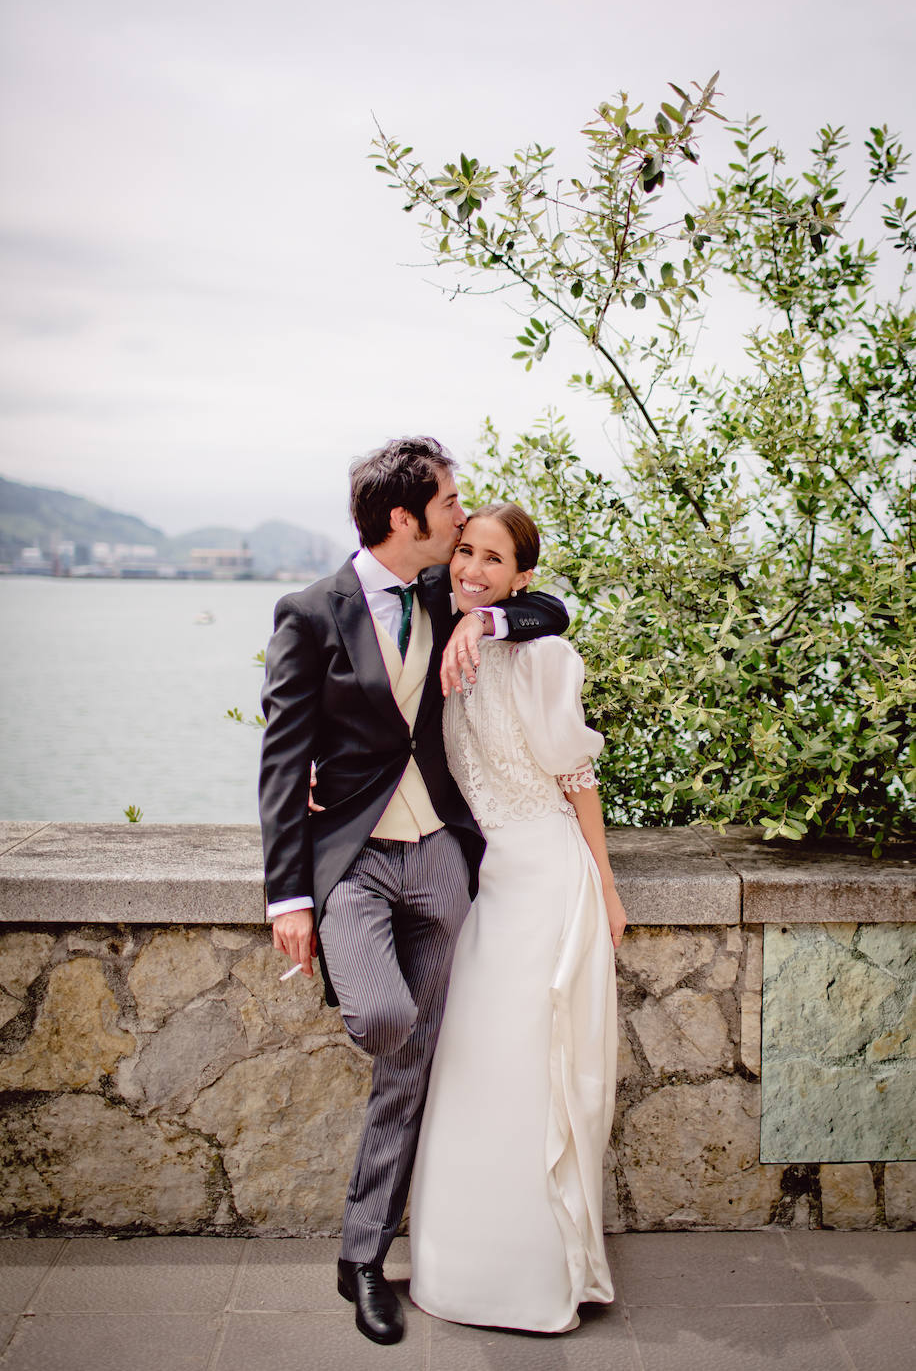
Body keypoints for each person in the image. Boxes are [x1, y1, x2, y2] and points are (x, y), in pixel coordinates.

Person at [259, 438, 569, 1347]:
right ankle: (367, 1239)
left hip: (441, 856)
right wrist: (289, 898)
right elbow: (281, 760)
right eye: (448, 505)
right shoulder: (310, 612)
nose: (459, 516)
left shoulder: (446, 593)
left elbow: (546, 604)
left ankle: (362, 1262)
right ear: (405, 518)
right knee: (387, 1022)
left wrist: (490, 624)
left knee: (411, 1067)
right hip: (351, 863)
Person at [409, 502, 626, 1334]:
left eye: (494, 560)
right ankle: (460, 1267)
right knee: (476, 1070)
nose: (473, 568)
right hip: (486, 884)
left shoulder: (541, 654)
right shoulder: (437, 624)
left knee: (537, 1073)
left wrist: (604, 885)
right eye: (466, 551)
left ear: (520, 577)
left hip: (545, 876)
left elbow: (578, 780)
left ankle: (541, 1276)